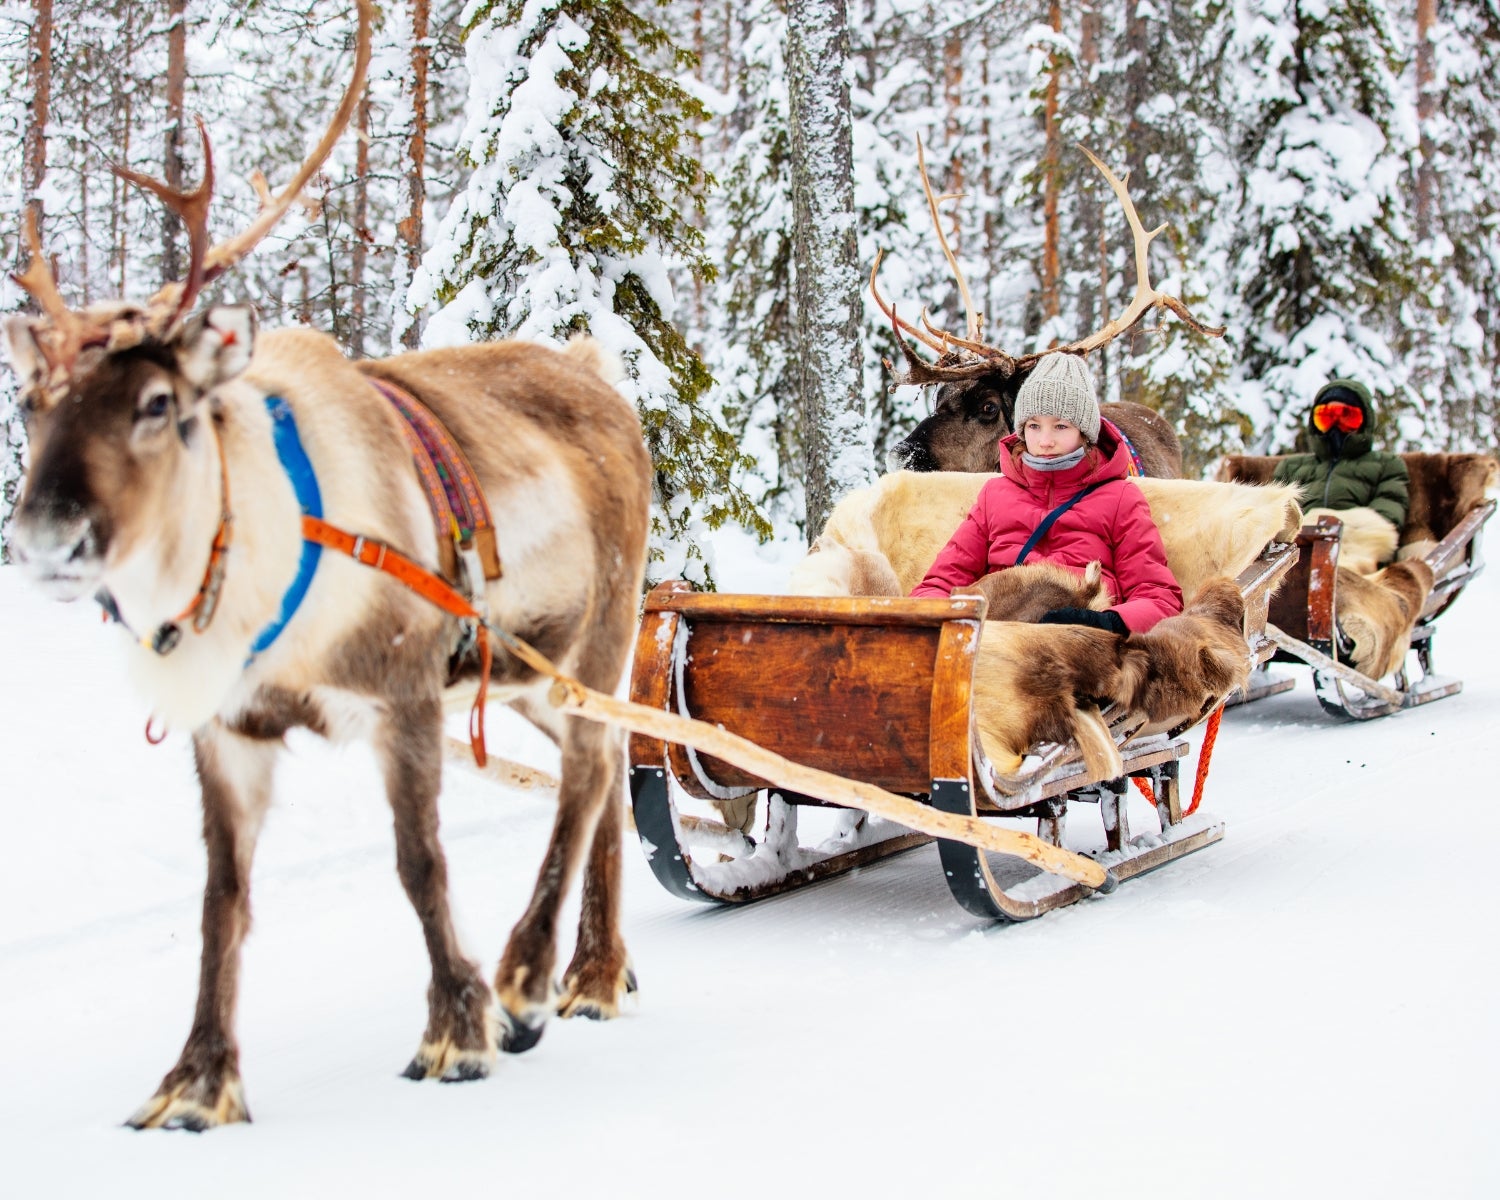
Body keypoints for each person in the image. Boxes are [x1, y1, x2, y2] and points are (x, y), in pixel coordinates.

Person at [909, 352, 1183, 634]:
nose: (1045, 441)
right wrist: (925, 627)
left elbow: (1159, 598)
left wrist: (1108, 623)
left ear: (1084, 432)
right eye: (1034, 426)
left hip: (1081, 646)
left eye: (1061, 426)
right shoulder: (994, 495)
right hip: (999, 639)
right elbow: (940, 583)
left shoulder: (1121, 499)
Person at [1271, 379, 1409, 560]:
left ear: (1365, 422)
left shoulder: (1387, 465)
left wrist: (1324, 523)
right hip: (1297, 556)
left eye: (1347, 417)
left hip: (1357, 556)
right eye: (1326, 417)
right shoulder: (1291, 467)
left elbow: (1386, 521)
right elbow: (1276, 519)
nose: (1335, 426)